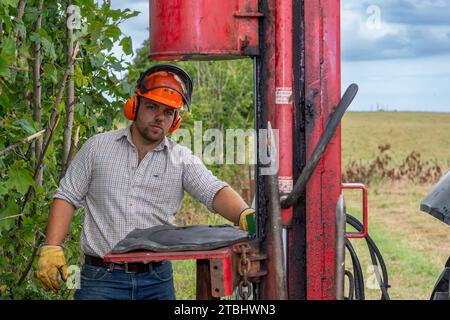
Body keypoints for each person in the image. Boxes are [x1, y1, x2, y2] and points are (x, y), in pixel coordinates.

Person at [36, 64, 256, 300]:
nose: (159, 117)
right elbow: (67, 196)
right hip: (101, 278)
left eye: (168, 112)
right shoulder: (97, 147)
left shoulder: (180, 158)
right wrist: (52, 246)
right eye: (152, 107)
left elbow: (213, 191)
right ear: (135, 106)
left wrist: (245, 215)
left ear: (175, 121)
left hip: (156, 280)